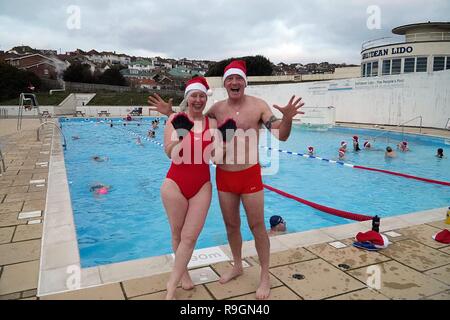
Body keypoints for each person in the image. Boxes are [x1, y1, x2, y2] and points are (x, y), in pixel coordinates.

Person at [149, 59, 304, 299]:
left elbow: (281, 136)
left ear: (244, 82)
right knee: (232, 226)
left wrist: (288, 119)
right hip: (223, 176)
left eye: (238, 78)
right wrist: (170, 114)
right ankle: (238, 265)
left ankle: (265, 276)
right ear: (224, 84)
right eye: (229, 79)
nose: (234, 82)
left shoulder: (258, 106)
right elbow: (192, 120)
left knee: (257, 227)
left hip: (249, 174)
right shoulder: (217, 110)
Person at [149, 76, 235, 300]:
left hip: (201, 185)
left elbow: (215, 159)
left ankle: (171, 285)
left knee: (190, 237)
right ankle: (182, 274)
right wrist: (182, 135)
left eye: (202, 96)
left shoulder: (212, 124)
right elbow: (170, 152)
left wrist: (225, 142)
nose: (198, 100)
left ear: (206, 99)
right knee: (177, 234)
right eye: (194, 95)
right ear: (187, 98)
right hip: (174, 184)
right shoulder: (175, 120)